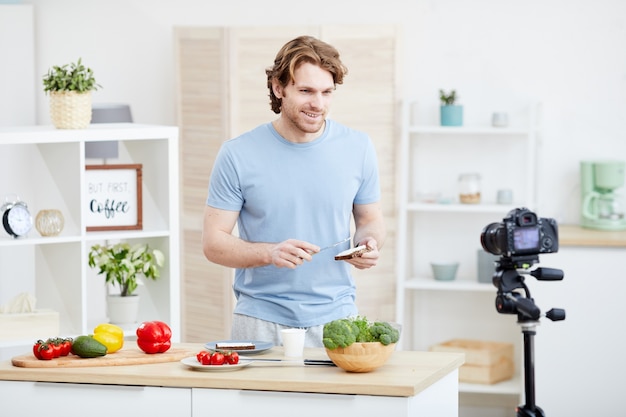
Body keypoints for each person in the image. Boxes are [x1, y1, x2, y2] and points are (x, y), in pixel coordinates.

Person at [201, 35, 386, 347]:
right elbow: (213, 242)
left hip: (337, 319)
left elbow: (371, 219)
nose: (318, 103)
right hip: (259, 321)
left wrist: (368, 243)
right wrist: (269, 253)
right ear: (278, 87)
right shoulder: (237, 154)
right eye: (306, 91)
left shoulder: (358, 147)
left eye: (327, 92)